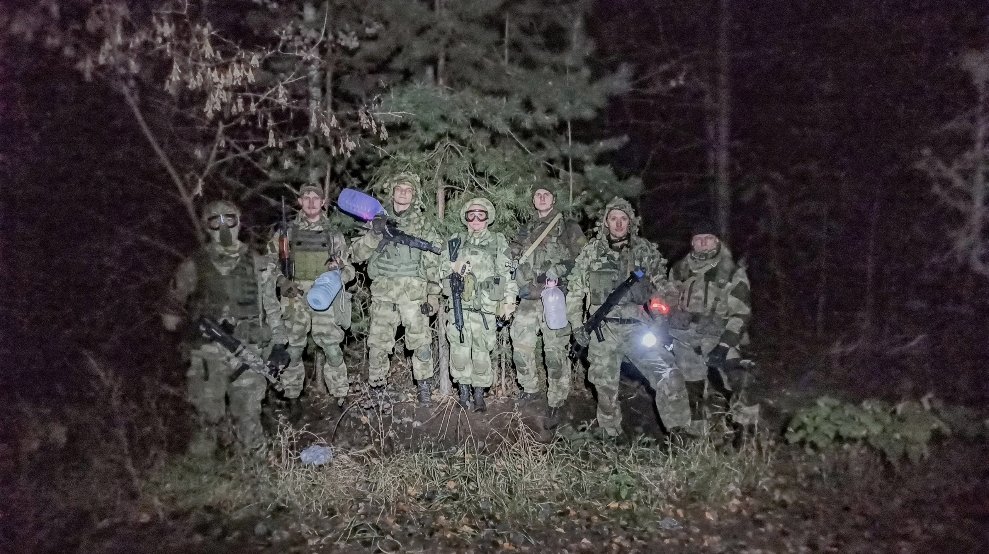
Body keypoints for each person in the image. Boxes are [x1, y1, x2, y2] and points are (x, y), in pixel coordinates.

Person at [161, 200, 288, 457]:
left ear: (238, 222)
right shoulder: (193, 266)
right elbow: (169, 318)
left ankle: (256, 471)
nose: (223, 226)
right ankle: (202, 473)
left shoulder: (259, 263)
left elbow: (278, 307)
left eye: (229, 219)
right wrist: (195, 326)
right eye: (214, 221)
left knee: (248, 416)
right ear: (206, 226)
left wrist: (278, 344)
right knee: (206, 418)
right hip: (207, 354)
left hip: (248, 350)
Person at [566, 197, 687, 438]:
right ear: (606, 222)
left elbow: (663, 287)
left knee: (668, 374)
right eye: (614, 219)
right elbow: (575, 291)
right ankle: (611, 435)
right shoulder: (592, 252)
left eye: (623, 219)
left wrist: (661, 315)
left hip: (639, 328)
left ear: (630, 222)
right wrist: (577, 325)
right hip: (603, 331)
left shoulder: (644, 251)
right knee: (604, 386)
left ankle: (678, 432)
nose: (619, 224)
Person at [349, 173, 443, 406]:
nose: (403, 193)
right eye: (399, 188)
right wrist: (374, 233)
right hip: (383, 294)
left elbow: (433, 261)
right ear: (392, 192)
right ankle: (377, 388)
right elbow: (356, 255)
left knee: (420, 343)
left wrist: (433, 295)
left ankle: (424, 388)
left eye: (408, 190)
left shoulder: (423, 225)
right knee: (378, 344)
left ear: (415, 196)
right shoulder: (376, 220)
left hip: (414, 294)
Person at [266, 184, 355, 417]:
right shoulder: (286, 233)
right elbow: (269, 265)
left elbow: (349, 270)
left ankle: (340, 397)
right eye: (306, 198)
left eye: (316, 198)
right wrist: (282, 282)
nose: (312, 202)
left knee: (332, 350)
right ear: (299, 201)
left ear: (323, 202)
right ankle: (292, 398)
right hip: (294, 296)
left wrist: (337, 270)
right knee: (293, 350)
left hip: (324, 296)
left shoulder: (333, 234)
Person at [508, 186, 586, 426]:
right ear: (533, 200)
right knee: (520, 345)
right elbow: (511, 253)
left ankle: (556, 401)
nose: (541, 198)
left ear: (554, 199)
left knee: (554, 352)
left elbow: (584, 258)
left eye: (546, 195)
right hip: (529, 297)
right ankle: (530, 389)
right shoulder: (526, 228)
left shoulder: (568, 227)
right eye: (537, 195)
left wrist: (560, 270)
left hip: (555, 297)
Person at [667, 219, 751, 433]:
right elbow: (668, 300)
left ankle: (747, 434)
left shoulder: (731, 271)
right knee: (690, 389)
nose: (703, 243)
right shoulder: (679, 269)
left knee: (737, 380)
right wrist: (665, 316)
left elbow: (741, 313)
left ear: (717, 241)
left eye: (708, 238)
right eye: (699, 239)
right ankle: (696, 437)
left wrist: (724, 346)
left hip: (721, 335)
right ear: (692, 243)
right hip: (686, 337)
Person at [442, 197, 518, 412]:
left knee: (482, 353)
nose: (476, 219)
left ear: (487, 218)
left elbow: (507, 274)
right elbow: (439, 269)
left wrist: (509, 302)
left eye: (481, 215)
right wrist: (453, 266)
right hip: (459, 306)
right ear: (466, 218)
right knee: (459, 351)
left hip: (485, 308)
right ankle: (463, 393)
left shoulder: (497, 242)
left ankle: (479, 395)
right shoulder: (455, 241)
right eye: (471, 215)